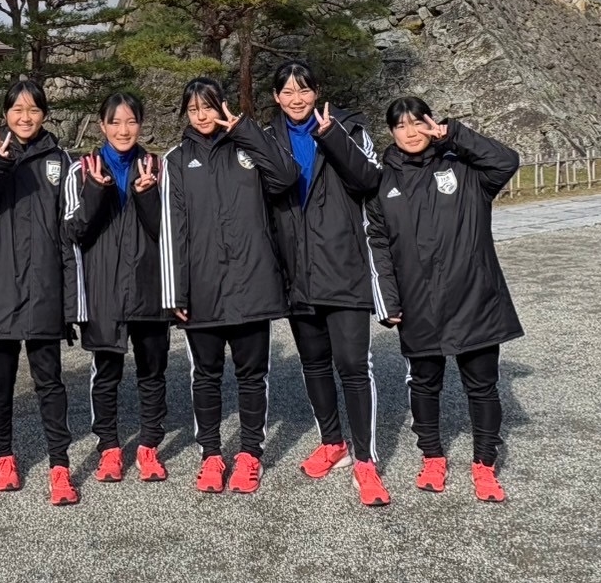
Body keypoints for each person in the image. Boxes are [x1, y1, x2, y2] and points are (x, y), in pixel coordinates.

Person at [364, 97, 523, 503]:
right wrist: (389, 300)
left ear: (431, 124)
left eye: (418, 123)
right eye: (401, 126)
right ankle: (432, 456)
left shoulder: (466, 169)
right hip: (419, 302)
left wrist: (455, 133)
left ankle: (484, 463)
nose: (411, 132)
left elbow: (506, 161)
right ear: (392, 133)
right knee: (424, 383)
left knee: (483, 387)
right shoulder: (384, 183)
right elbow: (378, 244)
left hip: (474, 295)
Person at [160, 76, 299, 494]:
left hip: (251, 281)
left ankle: (250, 455)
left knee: (252, 375)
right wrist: (175, 292)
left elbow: (286, 177)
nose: (202, 116)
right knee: (205, 375)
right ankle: (211, 455)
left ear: (223, 106)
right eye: (193, 109)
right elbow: (172, 229)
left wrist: (244, 130)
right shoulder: (177, 159)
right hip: (201, 287)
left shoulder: (247, 147)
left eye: (209, 106)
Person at [265, 61, 390, 507]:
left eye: (304, 90)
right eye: (287, 91)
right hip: (296, 271)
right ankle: (332, 442)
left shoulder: (351, 128)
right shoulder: (267, 139)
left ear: (317, 91)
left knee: (354, 365)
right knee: (314, 363)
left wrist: (331, 135)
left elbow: (370, 180)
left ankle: (366, 461)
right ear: (276, 97)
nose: (296, 99)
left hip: (344, 266)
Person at [0, 78, 84, 506]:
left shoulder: (61, 160)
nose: (25, 117)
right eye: (17, 110)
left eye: (33, 109)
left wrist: (70, 300)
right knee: (0, 383)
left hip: (44, 287)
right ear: (5, 114)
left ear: (44, 114)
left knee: (50, 381)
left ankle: (60, 465)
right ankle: (3, 456)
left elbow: (70, 230)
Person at [64, 90, 170, 484]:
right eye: (115, 122)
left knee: (152, 370)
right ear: (102, 125)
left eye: (131, 121)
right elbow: (73, 231)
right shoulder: (83, 169)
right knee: (106, 372)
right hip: (103, 285)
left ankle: (149, 446)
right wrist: (96, 190)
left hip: (149, 285)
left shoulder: (158, 167)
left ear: (141, 124)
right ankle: (108, 447)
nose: (123, 130)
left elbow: (168, 233)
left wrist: (147, 197)